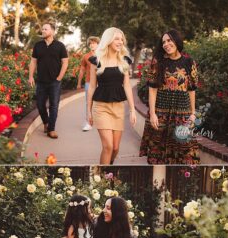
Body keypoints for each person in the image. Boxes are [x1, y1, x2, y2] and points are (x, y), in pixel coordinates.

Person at [139, 29, 200, 164]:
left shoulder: (189, 62)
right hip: (161, 113)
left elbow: (191, 90)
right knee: (159, 152)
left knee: (185, 152)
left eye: (169, 40)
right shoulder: (158, 62)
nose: (166, 44)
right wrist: (153, 114)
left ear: (177, 41)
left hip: (182, 113)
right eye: (163, 42)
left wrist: (193, 113)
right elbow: (152, 89)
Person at [87, 27, 137, 164]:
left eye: (122, 39)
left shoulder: (124, 60)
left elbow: (127, 85)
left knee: (115, 148)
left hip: (118, 108)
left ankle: (108, 169)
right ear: (108, 40)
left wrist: (132, 110)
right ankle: (102, 178)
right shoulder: (96, 60)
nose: (120, 41)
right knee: (108, 146)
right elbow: (92, 87)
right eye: (117, 38)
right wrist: (88, 112)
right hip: (101, 107)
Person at [29, 22, 69, 139]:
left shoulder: (60, 46)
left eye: (46, 29)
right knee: (40, 105)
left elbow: (65, 62)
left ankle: (51, 129)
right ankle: (46, 123)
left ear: (52, 31)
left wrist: (59, 78)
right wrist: (31, 76)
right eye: (42, 29)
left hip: (54, 82)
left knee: (54, 106)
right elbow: (33, 61)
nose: (43, 31)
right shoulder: (38, 45)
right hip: (41, 81)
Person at [77, 36, 100, 132]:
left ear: (98, 44)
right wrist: (79, 83)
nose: (92, 45)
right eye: (90, 43)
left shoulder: (103, 55)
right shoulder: (86, 56)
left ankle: (100, 122)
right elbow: (82, 70)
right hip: (89, 82)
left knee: (100, 103)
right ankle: (88, 123)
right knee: (89, 103)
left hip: (102, 83)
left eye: (94, 43)